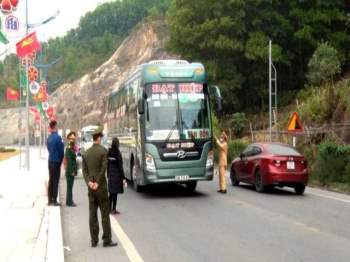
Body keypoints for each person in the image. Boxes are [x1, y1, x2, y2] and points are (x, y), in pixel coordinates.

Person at [82, 126, 118, 248]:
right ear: (99, 138)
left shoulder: (86, 154)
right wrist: (97, 182)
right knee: (104, 213)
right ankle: (107, 240)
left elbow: (84, 171)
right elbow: (103, 170)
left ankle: (94, 240)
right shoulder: (103, 151)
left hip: (91, 188)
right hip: (101, 188)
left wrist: (89, 183)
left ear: (93, 138)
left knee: (92, 214)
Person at [47, 120, 64, 206]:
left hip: (50, 161)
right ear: (55, 127)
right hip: (56, 161)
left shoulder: (49, 138)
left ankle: (49, 200)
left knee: (51, 180)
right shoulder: (58, 137)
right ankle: (54, 200)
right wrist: (61, 160)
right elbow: (61, 151)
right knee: (55, 181)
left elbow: (48, 149)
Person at [107, 137, 126, 215]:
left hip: (111, 175)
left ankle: (109, 209)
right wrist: (123, 177)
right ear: (117, 144)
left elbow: (107, 164)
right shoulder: (118, 153)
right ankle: (114, 209)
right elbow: (120, 166)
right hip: (117, 176)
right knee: (115, 193)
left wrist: (108, 174)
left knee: (111, 193)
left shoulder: (109, 152)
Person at [65, 131, 77, 207]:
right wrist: (72, 171)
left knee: (70, 187)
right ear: (69, 139)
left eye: (74, 139)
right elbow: (69, 161)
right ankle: (69, 202)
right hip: (70, 172)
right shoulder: (69, 149)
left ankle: (69, 200)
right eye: (72, 139)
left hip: (71, 171)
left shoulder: (72, 148)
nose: (73, 140)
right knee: (69, 187)